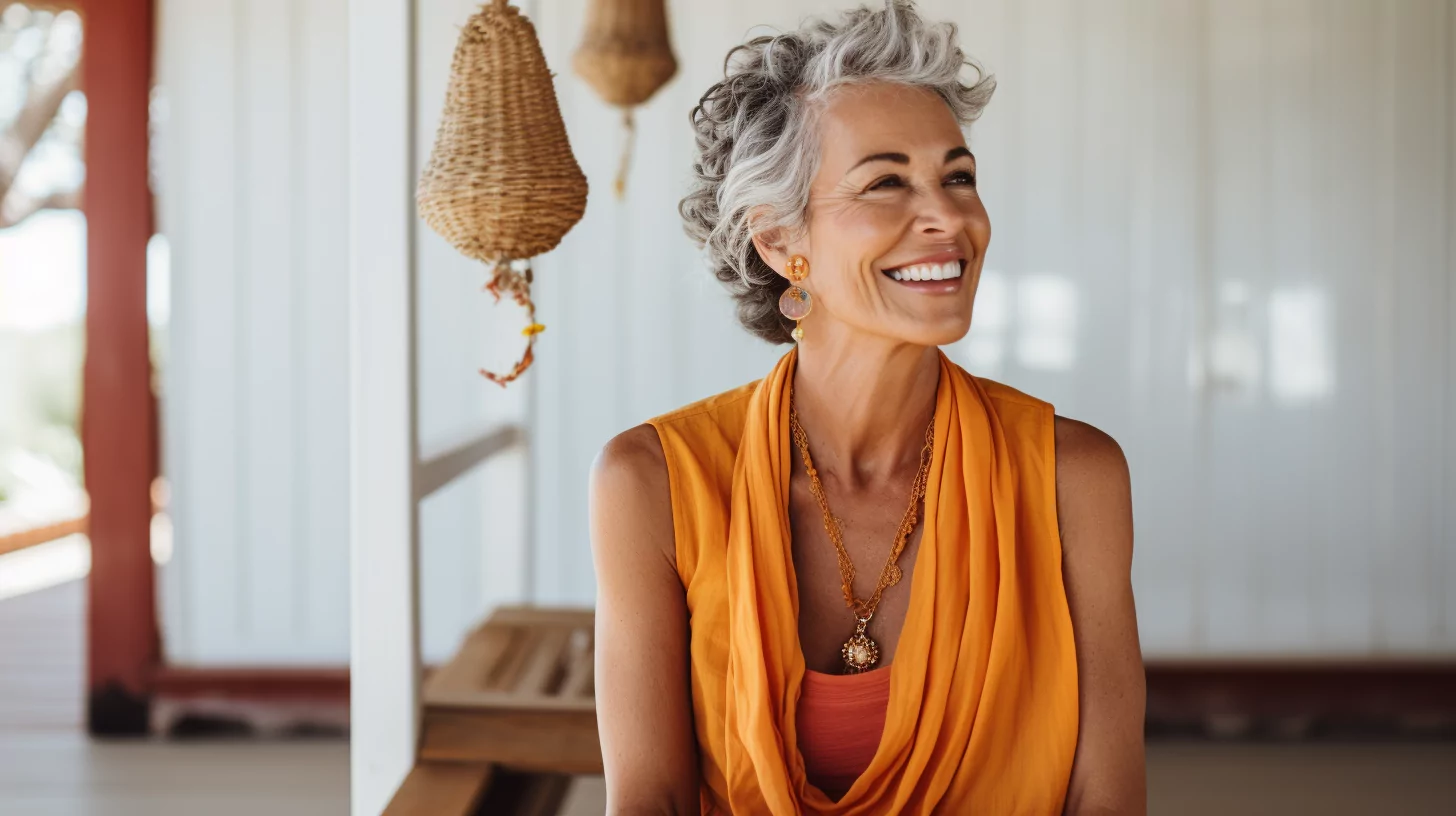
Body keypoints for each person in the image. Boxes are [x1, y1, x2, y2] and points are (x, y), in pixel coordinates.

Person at [588, 2, 1144, 812]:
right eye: (886, 182)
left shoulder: (1073, 476)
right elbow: (652, 797)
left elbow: (1107, 795)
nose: (951, 218)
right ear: (779, 242)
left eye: (959, 177)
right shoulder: (655, 482)